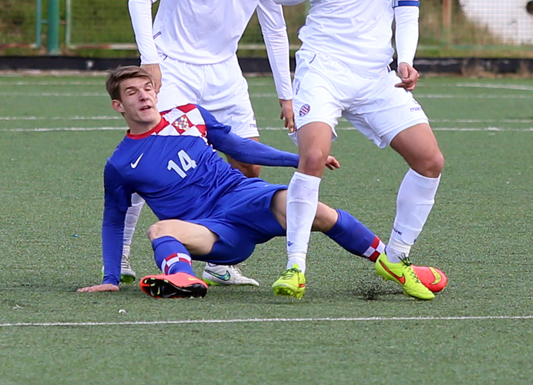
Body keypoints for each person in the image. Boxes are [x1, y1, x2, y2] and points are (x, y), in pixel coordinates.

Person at [78, 67, 446, 299]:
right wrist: (111, 276)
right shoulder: (120, 163)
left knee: (316, 211)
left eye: (147, 88)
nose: (144, 95)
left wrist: (298, 159)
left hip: (244, 196)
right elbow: (113, 220)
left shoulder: (188, 115)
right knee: (160, 230)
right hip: (211, 231)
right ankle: (184, 280)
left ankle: (394, 264)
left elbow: (238, 147)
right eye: (132, 92)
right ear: (118, 106)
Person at [269, 0, 445, 301]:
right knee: (312, 156)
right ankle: (295, 267)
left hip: (375, 76)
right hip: (323, 69)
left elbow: (407, 12)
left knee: (430, 161)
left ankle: (396, 257)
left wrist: (406, 60)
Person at [125, 0, 294, 287]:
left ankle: (218, 261)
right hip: (174, 69)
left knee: (249, 167)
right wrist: (151, 60)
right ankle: (122, 259)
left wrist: (286, 95)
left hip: (224, 73)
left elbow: (274, 29)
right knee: (153, 166)